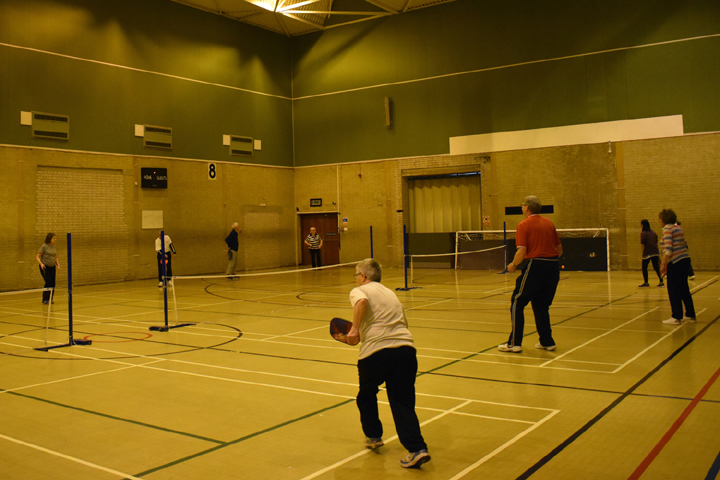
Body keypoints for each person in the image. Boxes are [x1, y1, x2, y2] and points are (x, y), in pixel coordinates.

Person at [333, 258, 430, 469]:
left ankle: (373, 436)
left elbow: (361, 303)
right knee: (402, 402)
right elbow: (403, 322)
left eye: (356, 274)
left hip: (375, 353)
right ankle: (417, 449)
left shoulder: (360, 291)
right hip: (406, 350)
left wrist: (355, 331)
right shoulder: (391, 293)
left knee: (366, 395)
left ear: (364, 276)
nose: (356, 278)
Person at [499, 196, 562, 353]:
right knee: (541, 305)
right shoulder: (549, 223)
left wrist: (513, 265)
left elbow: (522, 251)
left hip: (536, 265)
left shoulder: (524, 225)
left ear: (527, 207)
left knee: (517, 302)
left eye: (522, 206)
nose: (522, 208)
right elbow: (559, 249)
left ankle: (514, 343)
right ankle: (547, 341)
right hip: (553, 266)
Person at [659, 209, 696, 324]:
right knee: (684, 288)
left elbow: (668, 249)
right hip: (685, 260)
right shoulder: (678, 228)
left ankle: (676, 316)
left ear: (663, 219)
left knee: (673, 289)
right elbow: (684, 243)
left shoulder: (667, 229)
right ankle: (690, 314)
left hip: (675, 262)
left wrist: (663, 264)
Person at [639, 219, 664, 288]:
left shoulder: (643, 233)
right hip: (655, 252)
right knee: (656, 267)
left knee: (644, 267)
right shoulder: (653, 233)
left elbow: (643, 244)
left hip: (647, 252)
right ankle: (661, 281)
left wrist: (643, 253)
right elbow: (656, 243)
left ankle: (646, 282)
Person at [36, 233, 60, 304]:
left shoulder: (54, 247)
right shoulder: (44, 246)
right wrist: (41, 264)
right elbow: (37, 256)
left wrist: (58, 264)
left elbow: (55, 256)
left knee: (53, 283)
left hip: (52, 267)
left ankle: (50, 299)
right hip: (45, 267)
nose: (55, 239)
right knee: (48, 282)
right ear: (50, 239)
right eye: (54, 238)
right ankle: (45, 299)